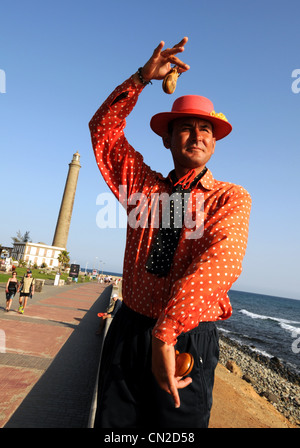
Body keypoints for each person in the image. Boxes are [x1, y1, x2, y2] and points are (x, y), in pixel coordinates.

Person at [89, 37, 251, 428]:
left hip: (187, 338)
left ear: (214, 143)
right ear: (166, 138)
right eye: (185, 128)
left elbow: (221, 261)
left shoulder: (230, 198)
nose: (197, 135)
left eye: (205, 130)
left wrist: (167, 331)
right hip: (130, 332)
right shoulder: (142, 188)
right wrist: (143, 77)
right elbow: (103, 132)